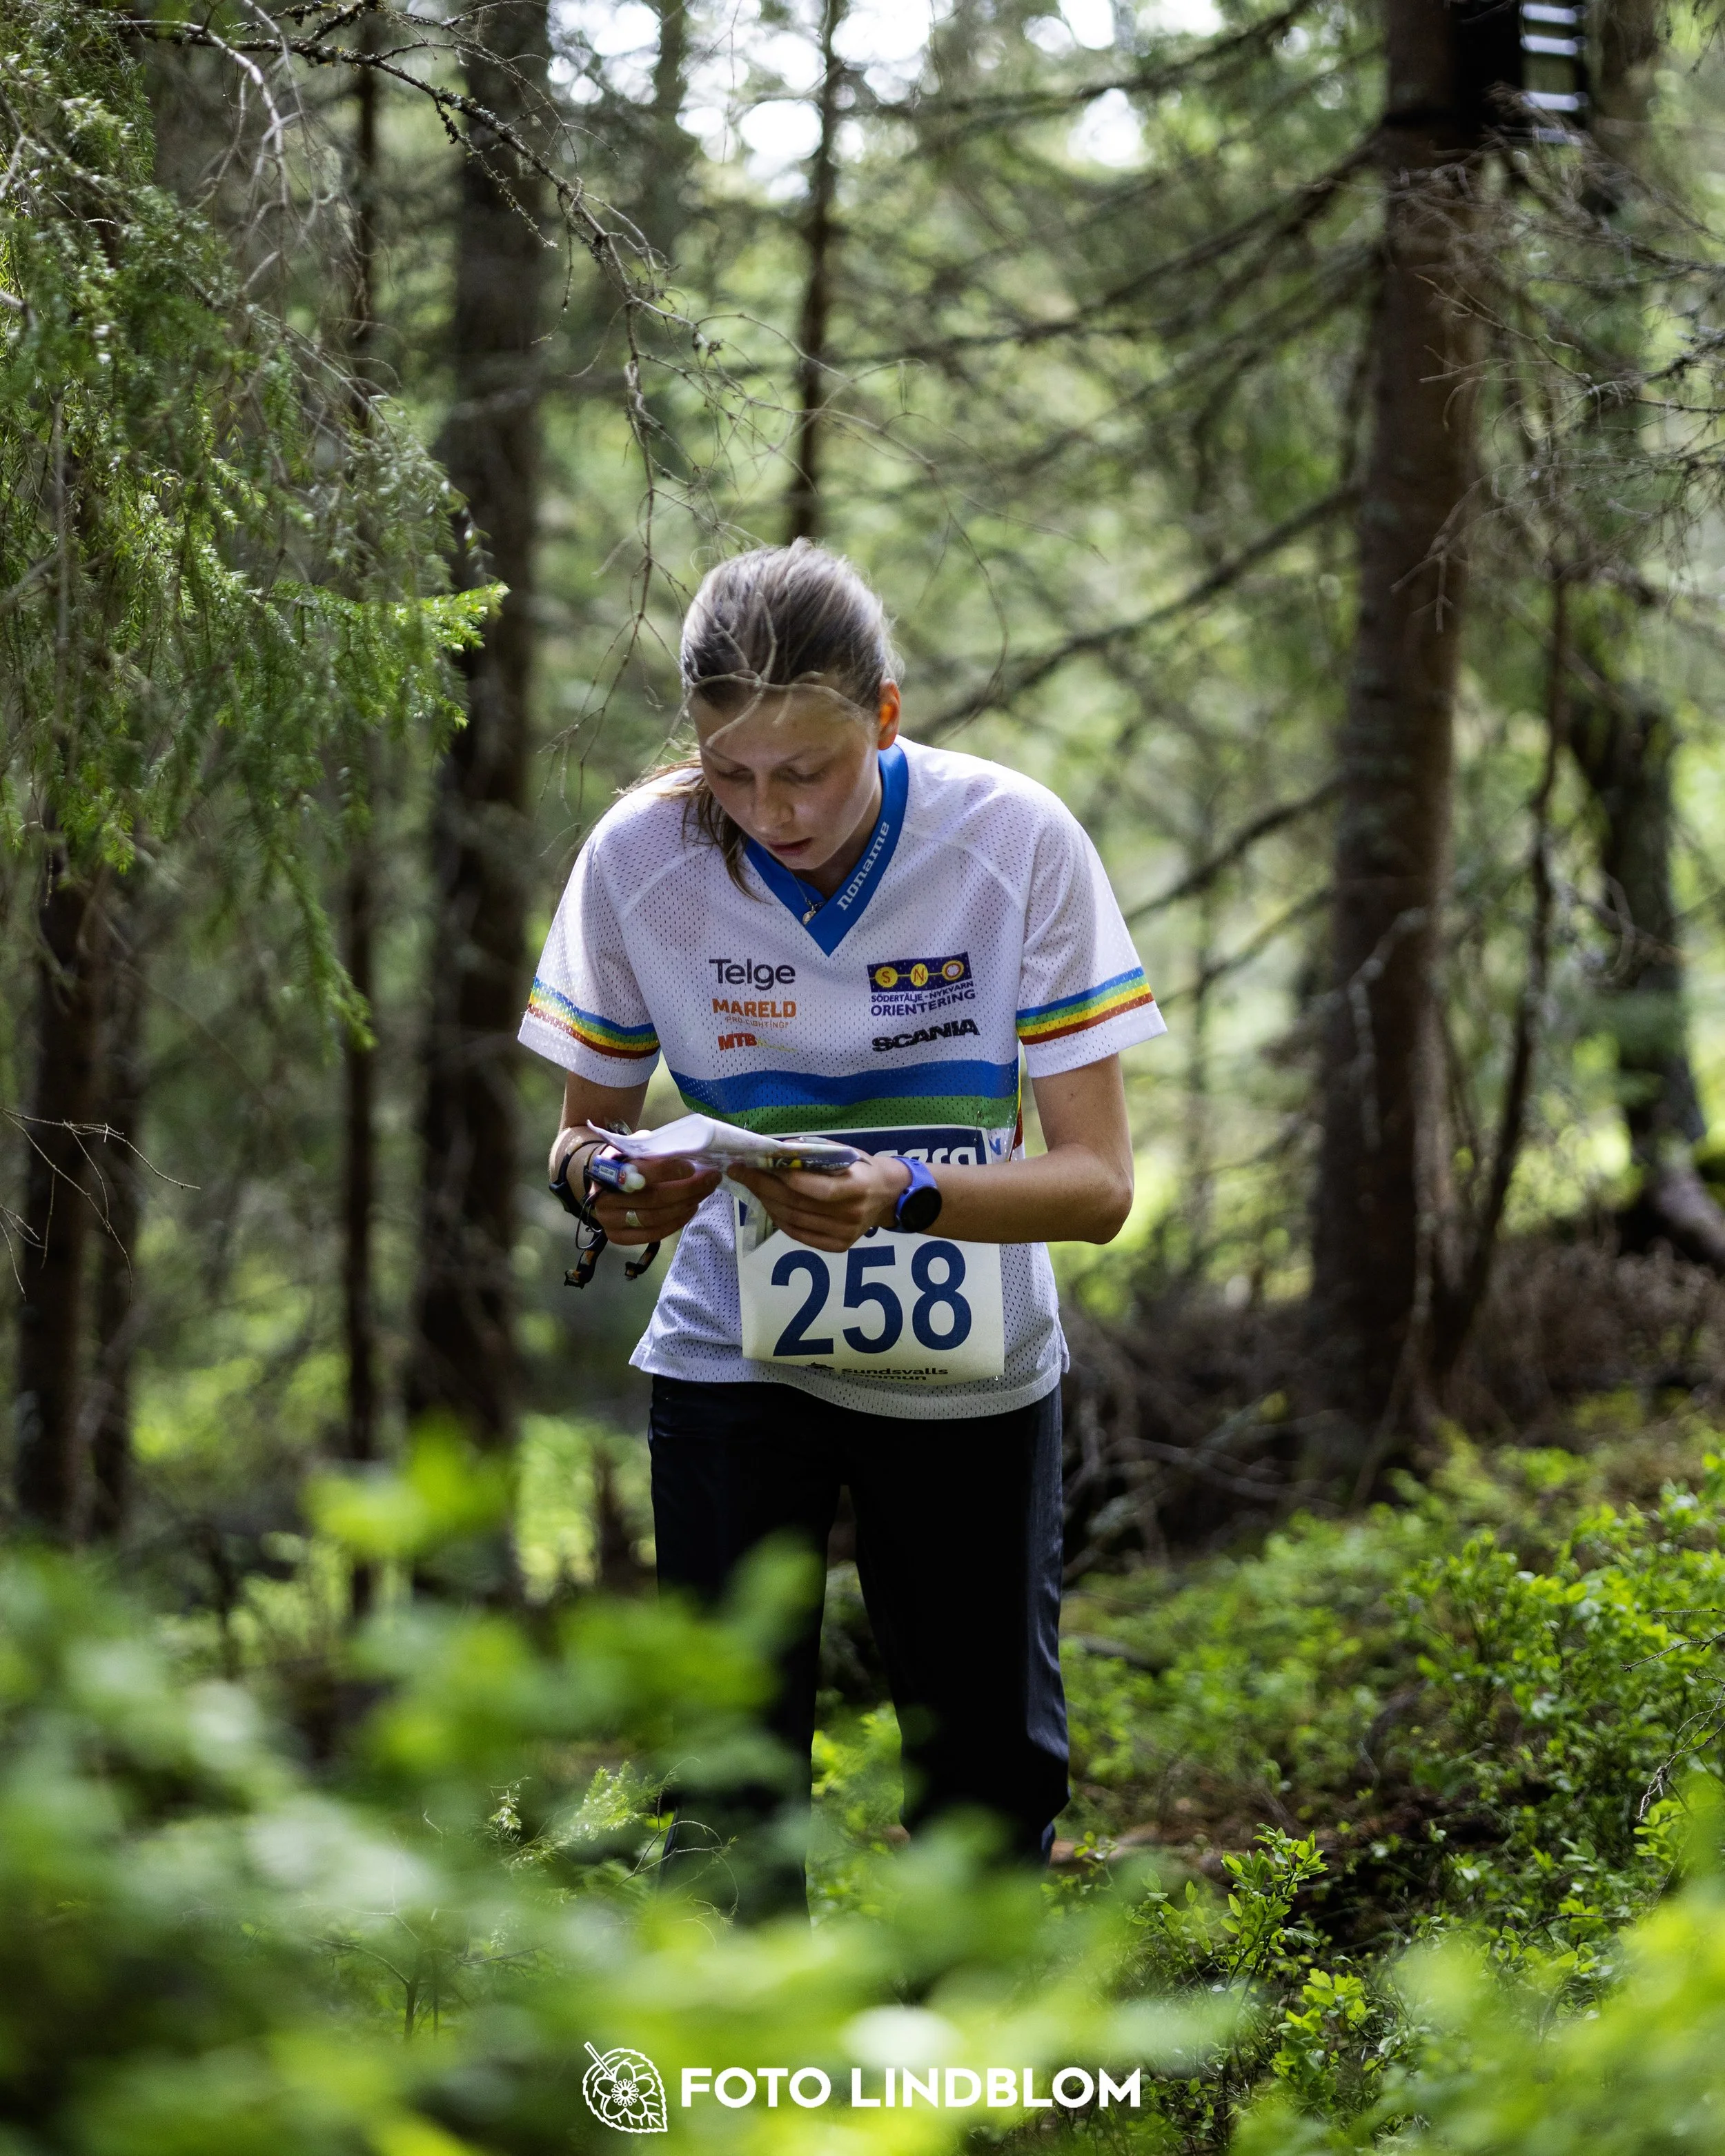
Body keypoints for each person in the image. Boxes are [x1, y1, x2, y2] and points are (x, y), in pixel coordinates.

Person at [518, 541, 1165, 1909]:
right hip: (729, 1353)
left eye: (803, 769)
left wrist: (901, 1197)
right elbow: (580, 1136)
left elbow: (1098, 1185)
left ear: (884, 711)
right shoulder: (639, 856)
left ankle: (961, 2091)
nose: (769, 811)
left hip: (970, 1357)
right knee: (726, 1775)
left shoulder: (1013, 839)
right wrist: (611, 1183)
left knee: (987, 1771)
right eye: (730, 771)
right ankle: (755, 2098)